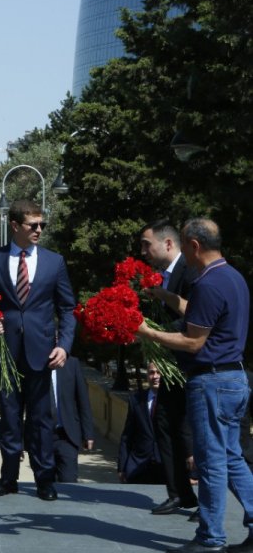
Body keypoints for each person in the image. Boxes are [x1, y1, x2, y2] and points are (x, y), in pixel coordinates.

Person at [136, 218, 253, 553]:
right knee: (231, 458)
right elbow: (198, 313)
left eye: (184, 244)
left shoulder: (206, 284)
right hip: (234, 378)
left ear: (194, 246)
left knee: (212, 462)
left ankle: (210, 538)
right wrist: (167, 296)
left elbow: (193, 342)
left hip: (212, 381)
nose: (182, 251)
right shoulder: (231, 277)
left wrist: (148, 333)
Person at [0, 199, 76, 502]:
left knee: (41, 418)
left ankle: (44, 479)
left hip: (42, 353)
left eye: (42, 225)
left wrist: (64, 346)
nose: (39, 230)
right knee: (9, 415)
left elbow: (68, 309)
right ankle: (8, 478)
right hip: (6, 351)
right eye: (33, 225)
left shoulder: (53, 262)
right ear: (15, 225)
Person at [139, 220, 199, 515]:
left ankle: (209, 500)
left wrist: (153, 331)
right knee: (164, 423)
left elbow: (197, 317)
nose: (143, 251)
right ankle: (179, 494)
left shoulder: (190, 271)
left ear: (167, 244)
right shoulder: (160, 276)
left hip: (192, 365)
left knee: (195, 431)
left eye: (146, 244)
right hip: (171, 365)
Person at [118, 361, 165, 485]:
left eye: (159, 372)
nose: (155, 376)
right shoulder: (136, 400)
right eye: (151, 373)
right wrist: (122, 467)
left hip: (166, 467)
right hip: (138, 467)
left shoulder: (174, 401)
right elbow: (127, 435)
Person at [50, 356, 94, 483]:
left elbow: (83, 400)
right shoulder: (33, 362)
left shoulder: (72, 363)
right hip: (42, 435)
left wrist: (88, 433)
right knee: (45, 483)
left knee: (69, 482)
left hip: (67, 435)